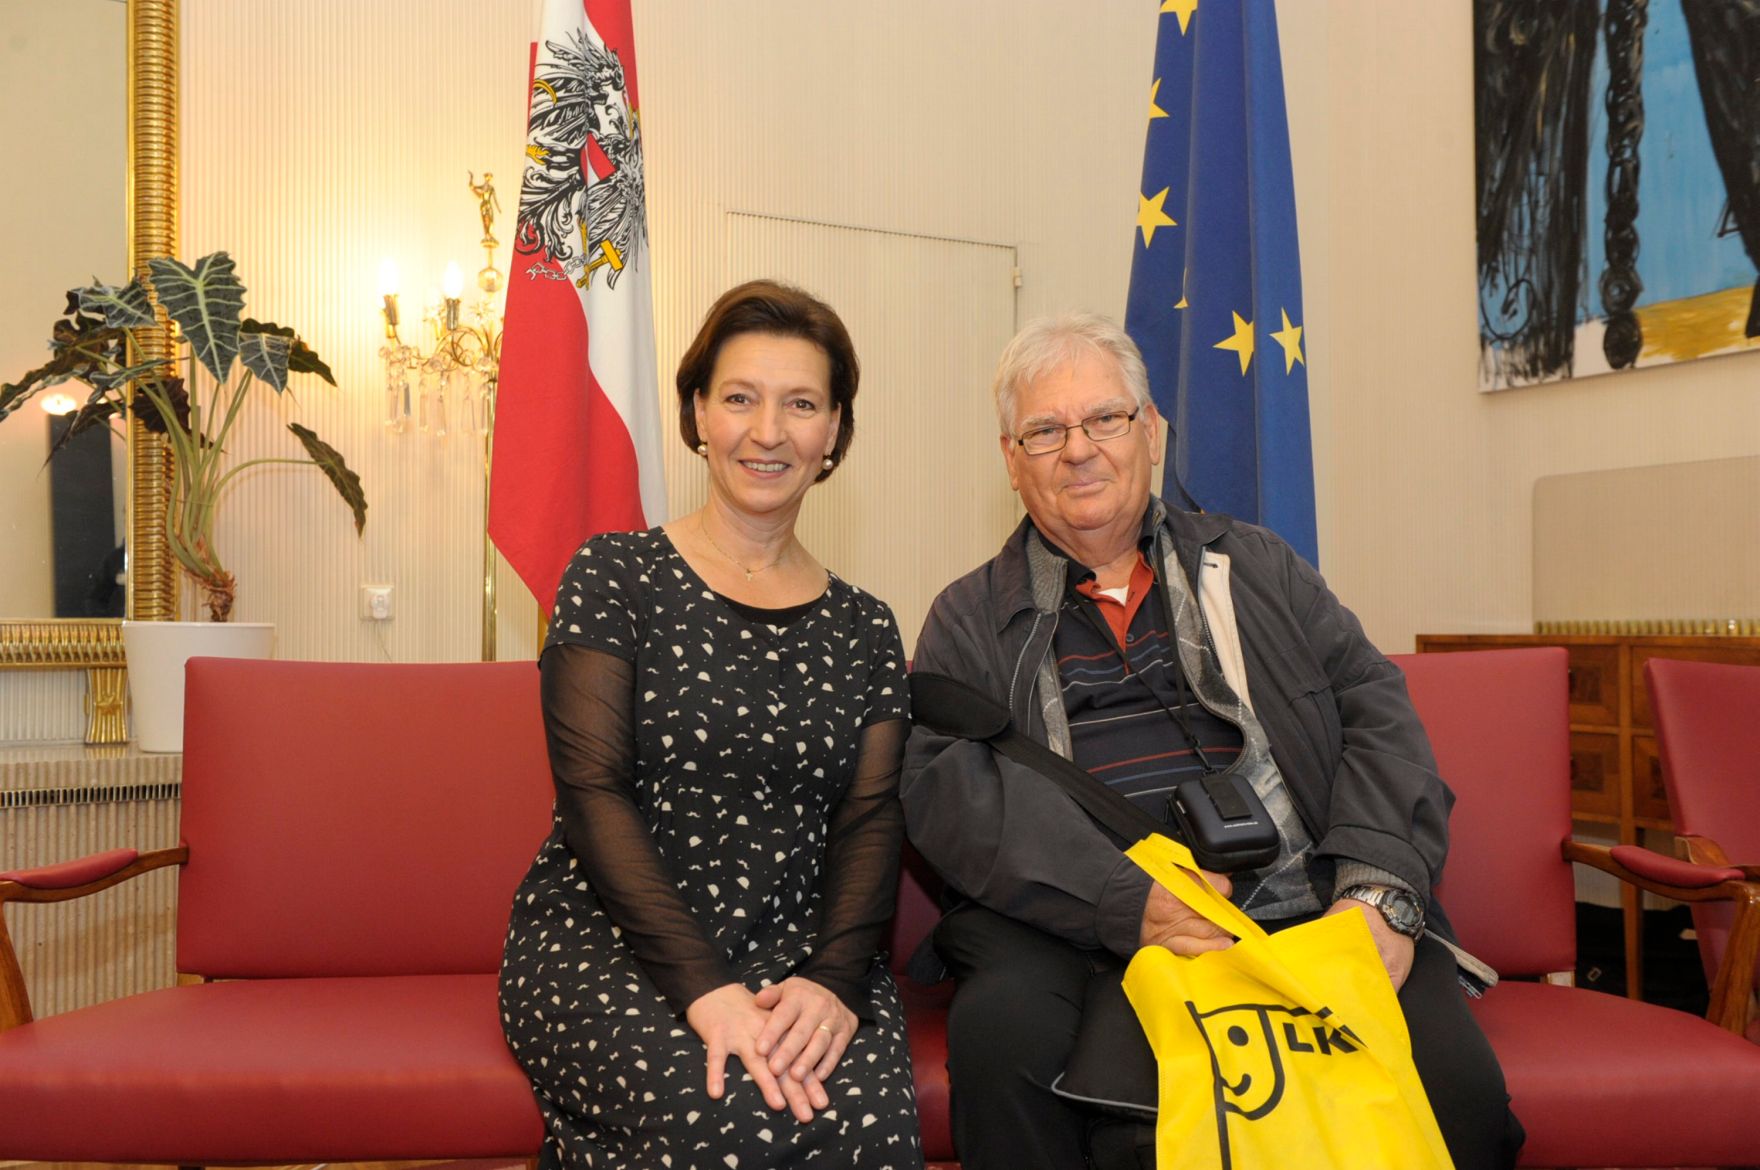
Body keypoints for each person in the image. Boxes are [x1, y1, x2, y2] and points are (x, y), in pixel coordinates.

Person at [900, 313, 1524, 1170]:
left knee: (1457, 1098)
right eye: (1045, 431)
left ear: (1151, 431)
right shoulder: (967, 619)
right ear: (1012, 461)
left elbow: (1379, 715)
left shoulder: (1261, 566)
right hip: (1081, 929)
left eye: (1105, 419)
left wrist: (1379, 891)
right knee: (1002, 1040)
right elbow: (949, 798)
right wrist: (1125, 902)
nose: (1078, 449)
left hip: (1306, 905)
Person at [499, 280, 923, 1170]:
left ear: (835, 431)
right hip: (610, 943)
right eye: (740, 398)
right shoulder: (615, 577)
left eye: (801, 404)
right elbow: (592, 793)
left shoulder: (868, 626)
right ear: (698, 412)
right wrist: (708, 992)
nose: (768, 432)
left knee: (863, 1129)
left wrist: (835, 982)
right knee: (725, 1125)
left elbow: (870, 819)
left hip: (801, 955)